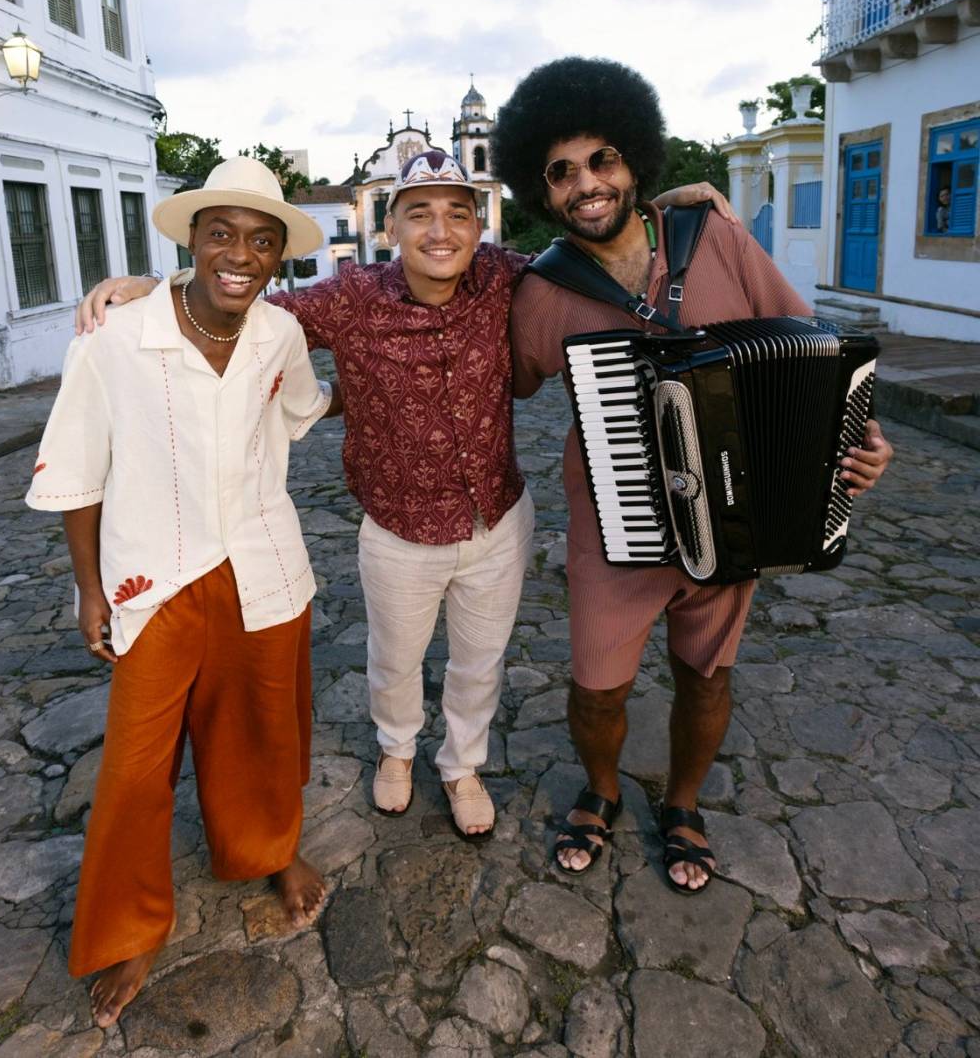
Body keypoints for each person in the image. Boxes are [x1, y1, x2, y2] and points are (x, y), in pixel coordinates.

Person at [76, 151, 727, 842]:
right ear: (390, 228)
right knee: (394, 661)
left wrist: (671, 199)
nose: (439, 230)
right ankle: (396, 751)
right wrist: (160, 285)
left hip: (495, 522)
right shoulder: (349, 297)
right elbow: (249, 301)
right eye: (419, 213)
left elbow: (593, 235)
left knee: (480, 662)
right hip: (397, 529)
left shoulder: (508, 278)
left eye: (456, 214)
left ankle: (462, 765)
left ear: (478, 228)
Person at [494, 56, 894, 892]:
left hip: (733, 516)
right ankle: (601, 791)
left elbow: (815, 351)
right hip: (616, 530)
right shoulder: (541, 296)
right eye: (561, 172)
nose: (586, 184)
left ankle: (682, 804)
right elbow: (499, 377)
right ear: (543, 192)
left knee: (705, 675)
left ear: (636, 159)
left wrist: (862, 439)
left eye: (602, 159)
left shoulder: (716, 238)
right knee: (598, 688)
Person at [27, 157, 339, 1025]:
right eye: (223, 234)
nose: (240, 252)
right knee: (135, 763)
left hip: (262, 564)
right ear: (193, 242)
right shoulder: (115, 339)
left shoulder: (279, 334)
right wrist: (90, 591)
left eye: (262, 239)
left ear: (279, 254)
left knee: (268, 726)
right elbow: (78, 469)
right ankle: (131, 927)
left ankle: (274, 852)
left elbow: (300, 409)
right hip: (155, 574)